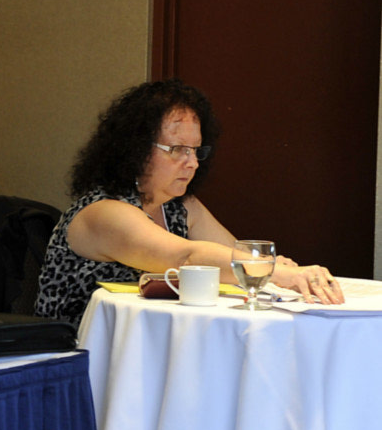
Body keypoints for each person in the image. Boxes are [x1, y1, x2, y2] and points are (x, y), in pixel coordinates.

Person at [34, 79, 344, 323]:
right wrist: (275, 272)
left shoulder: (181, 206)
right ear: (135, 147)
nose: (193, 163)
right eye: (178, 149)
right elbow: (186, 258)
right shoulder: (103, 212)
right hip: (80, 357)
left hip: (155, 341)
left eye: (196, 150)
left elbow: (234, 258)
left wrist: (280, 268)